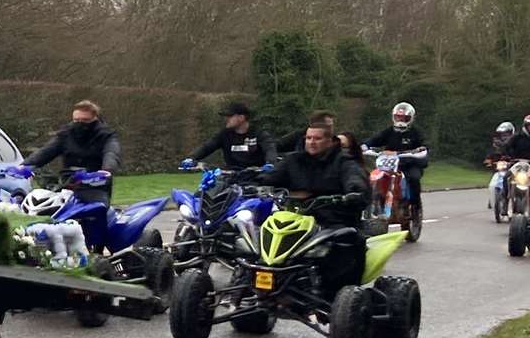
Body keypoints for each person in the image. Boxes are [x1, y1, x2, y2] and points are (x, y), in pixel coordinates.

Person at [263, 121, 370, 297]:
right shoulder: (294, 160)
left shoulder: (344, 162)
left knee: (348, 240)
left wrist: (354, 193)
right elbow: (269, 177)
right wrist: (245, 181)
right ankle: (249, 286)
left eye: (317, 138)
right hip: (296, 217)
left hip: (333, 219)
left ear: (330, 141)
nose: (312, 142)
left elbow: (355, 180)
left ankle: (342, 295)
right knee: (255, 235)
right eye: (309, 138)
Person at [23, 100, 121, 204]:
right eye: (76, 120)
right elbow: (47, 150)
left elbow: (111, 153)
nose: (80, 124)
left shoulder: (106, 135)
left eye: (85, 120)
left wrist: (107, 170)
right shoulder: (66, 134)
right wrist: (26, 165)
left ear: (95, 118)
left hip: (96, 183)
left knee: (97, 208)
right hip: (68, 182)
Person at [364, 102, 429, 212]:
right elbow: (375, 139)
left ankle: (415, 206)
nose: (401, 121)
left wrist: (420, 149)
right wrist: (364, 146)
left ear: (411, 118)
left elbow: (425, 145)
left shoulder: (416, 132)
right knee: (374, 176)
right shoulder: (389, 131)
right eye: (398, 117)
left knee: (414, 178)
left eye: (404, 118)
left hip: (409, 163)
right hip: (389, 163)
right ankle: (374, 201)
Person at [183, 101, 270, 171]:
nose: (226, 119)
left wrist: (270, 163)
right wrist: (191, 158)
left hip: (255, 178)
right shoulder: (224, 134)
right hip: (230, 177)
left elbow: (270, 149)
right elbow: (207, 147)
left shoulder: (259, 134)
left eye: (230, 116)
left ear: (241, 118)